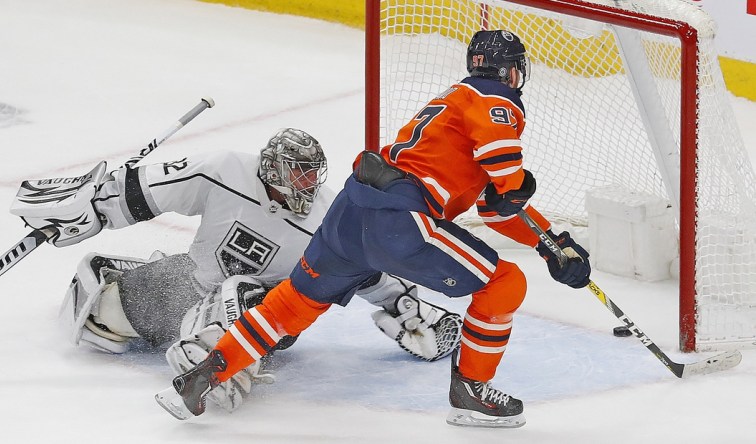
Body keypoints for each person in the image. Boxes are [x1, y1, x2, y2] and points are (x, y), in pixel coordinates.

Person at [162, 30, 592, 428]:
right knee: (504, 284)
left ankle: (205, 374)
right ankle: (471, 393)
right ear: (512, 70)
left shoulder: (452, 107)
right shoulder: (494, 94)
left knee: (289, 305)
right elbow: (504, 168)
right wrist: (517, 187)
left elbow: (496, 208)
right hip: (402, 219)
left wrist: (551, 243)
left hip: (351, 212)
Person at [13, 128, 462, 413]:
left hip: (267, 318)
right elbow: (145, 192)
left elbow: (370, 273)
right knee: (100, 318)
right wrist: (91, 206)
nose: (306, 185)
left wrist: (410, 315)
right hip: (189, 284)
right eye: (297, 174)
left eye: (312, 175)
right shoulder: (225, 170)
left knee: (239, 291)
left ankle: (219, 368)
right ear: (271, 168)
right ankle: (160, 318)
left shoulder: (328, 218)